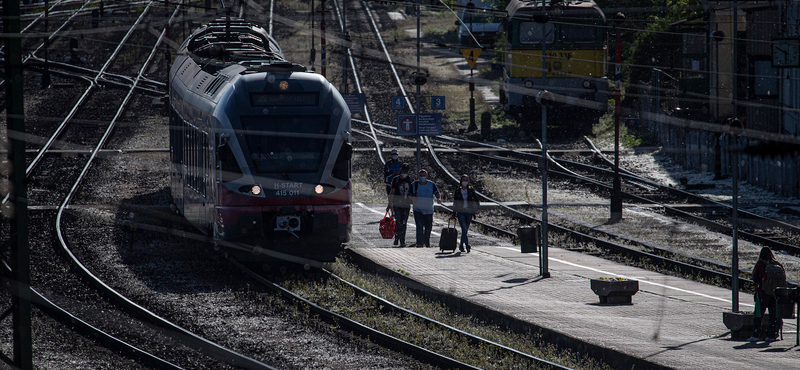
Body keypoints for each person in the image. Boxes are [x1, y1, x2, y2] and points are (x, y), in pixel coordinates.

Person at [747, 247, 786, 342]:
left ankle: (756, 335)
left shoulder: (761, 264)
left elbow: (755, 277)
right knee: (773, 316)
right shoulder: (777, 264)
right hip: (775, 293)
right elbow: (784, 277)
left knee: (758, 315)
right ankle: (771, 336)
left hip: (762, 292)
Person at [410, 169, 441, 248]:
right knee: (419, 226)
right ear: (418, 176)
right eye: (421, 176)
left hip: (429, 210)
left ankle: (426, 242)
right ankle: (419, 243)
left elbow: (437, 192)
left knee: (428, 227)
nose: (422, 177)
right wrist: (412, 198)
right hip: (418, 209)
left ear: (427, 176)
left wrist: (438, 198)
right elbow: (408, 194)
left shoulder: (431, 184)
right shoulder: (414, 184)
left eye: (424, 176)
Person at [386, 163, 414, 247]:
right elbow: (392, 192)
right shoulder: (396, 179)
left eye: (406, 171)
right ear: (400, 170)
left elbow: (414, 192)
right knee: (398, 221)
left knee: (404, 222)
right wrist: (389, 204)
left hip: (406, 204)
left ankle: (402, 240)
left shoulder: (411, 180)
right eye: (403, 170)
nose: (404, 172)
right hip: (397, 204)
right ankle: (396, 238)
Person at [452, 174, 480, 253]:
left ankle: (461, 245)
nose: (465, 182)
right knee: (464, 228)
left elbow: (476, 200)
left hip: (469, 212)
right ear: (461, 181)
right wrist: (453, 214)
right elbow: (455, 203)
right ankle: (467, 245)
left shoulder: (471, 190)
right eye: (463, 180)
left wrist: (478, 209)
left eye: (466, 180)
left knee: (465, 230)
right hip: (461, 212)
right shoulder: (458, 191)